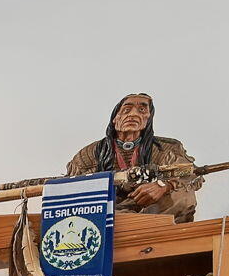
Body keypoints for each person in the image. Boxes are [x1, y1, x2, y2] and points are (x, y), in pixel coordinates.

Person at [65, 93, 201, 222]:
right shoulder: (89, 154)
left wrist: (164, 185)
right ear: (115, 118)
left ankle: (156, 231)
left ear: (148, 119)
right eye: (127, 110)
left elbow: (193, 174)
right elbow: (70, 189)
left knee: (183, 196)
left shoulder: (167, 149)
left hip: (154, 210)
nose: (133, 114)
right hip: (110, 212)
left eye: (142, 110)